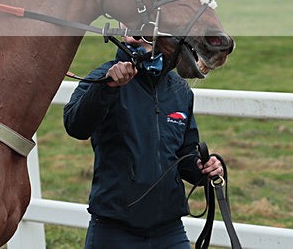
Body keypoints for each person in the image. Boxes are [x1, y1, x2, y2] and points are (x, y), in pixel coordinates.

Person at [63, 36, 224, 248]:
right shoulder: (103, 77)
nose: (136, 38)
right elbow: (76, 125)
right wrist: (107, 87)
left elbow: (185, 156)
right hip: (114, 231)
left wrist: (204, 167)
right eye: (132, 32)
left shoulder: (180, 89)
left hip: (169, 232)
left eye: (144, 33)